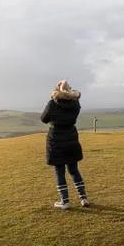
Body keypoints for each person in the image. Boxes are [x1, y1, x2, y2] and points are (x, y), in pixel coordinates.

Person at [41, 80, 89, 210]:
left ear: (57, 89)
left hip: (56, 138)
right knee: (74, 169)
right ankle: (83, 198)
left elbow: (44, 118)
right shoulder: (75, 103)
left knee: (59, 172)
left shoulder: (52, 103)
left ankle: (65, 201)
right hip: (71, 137)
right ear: (69, 89)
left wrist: (53, 99)